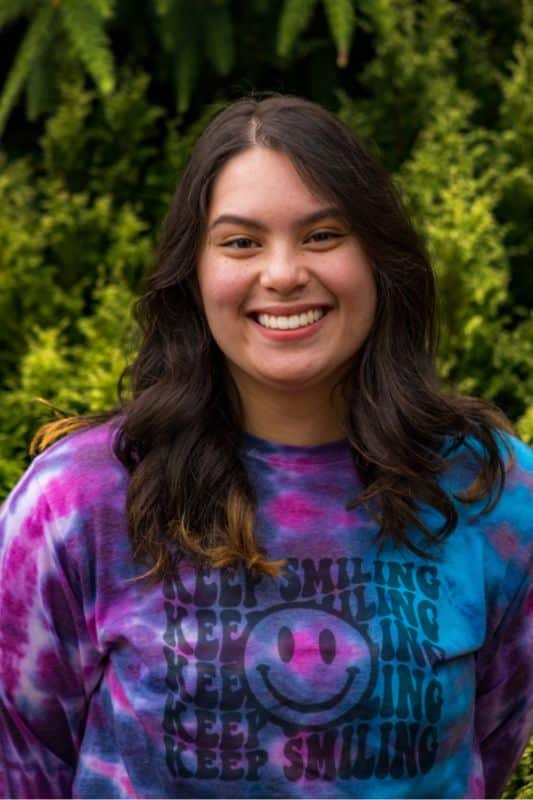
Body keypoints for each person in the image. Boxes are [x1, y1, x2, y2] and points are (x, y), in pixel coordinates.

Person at [0, 95, 532, 800]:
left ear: (377, 258)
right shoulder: (79, 501)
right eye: (240, 242)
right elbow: (21, 764)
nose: (282, 273)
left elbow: (490, 747)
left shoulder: (489, 491)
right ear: (193, 274)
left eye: (321, 235)